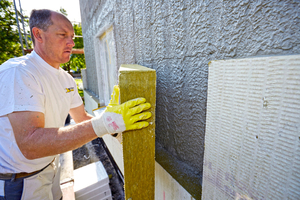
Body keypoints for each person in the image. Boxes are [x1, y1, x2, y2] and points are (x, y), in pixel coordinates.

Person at [0, 9, 151, 200]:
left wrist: (117, 130)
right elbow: (31, 144)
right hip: (19, 183)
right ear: (38, 34)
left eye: (72, 36)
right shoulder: (19, 73)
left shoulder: (66, 79)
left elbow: (82, 119)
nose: (71, 42)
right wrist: (105, 123)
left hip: (51, 170)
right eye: (62, 35)